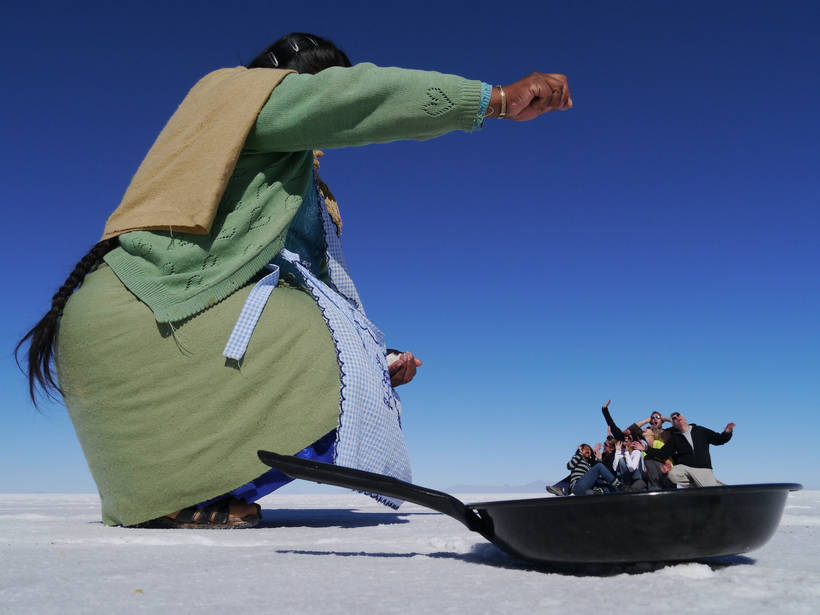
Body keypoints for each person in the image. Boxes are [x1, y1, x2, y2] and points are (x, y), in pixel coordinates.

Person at [16, 32, 573, 528]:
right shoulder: (238, 95)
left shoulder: (281, 172)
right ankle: (184, 491)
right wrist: (493, 100)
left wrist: (377, 357)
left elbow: (305, 286)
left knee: (347, 360)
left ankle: (186, 495)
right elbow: (359, 100)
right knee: (325, 348)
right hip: (143, 316)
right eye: (329, 87)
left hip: (141, 324)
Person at [645, 412, 735, 487]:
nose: (677, 417)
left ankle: (715, 486)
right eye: (674, 418)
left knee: (712, 493)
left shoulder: (700, 430)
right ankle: (706, 484)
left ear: (684, 417)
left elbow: (719, 439)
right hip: (686, 468)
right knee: (672, 474)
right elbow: (663, 453)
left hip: (703, 469)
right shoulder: (675, 438)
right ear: (674, 424)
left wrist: (727, 432)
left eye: (678, 415)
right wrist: (645, 448)